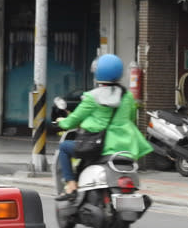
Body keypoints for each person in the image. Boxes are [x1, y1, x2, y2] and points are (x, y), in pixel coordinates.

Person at [54, 54, 153, 200]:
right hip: (126, 147)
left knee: (64, 148)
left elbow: (73, 120)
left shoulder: (91, 97)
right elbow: (131, 118)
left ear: (97, 72)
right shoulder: (127, 97)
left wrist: (62, 121)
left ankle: (71, 185)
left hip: (97, 146)